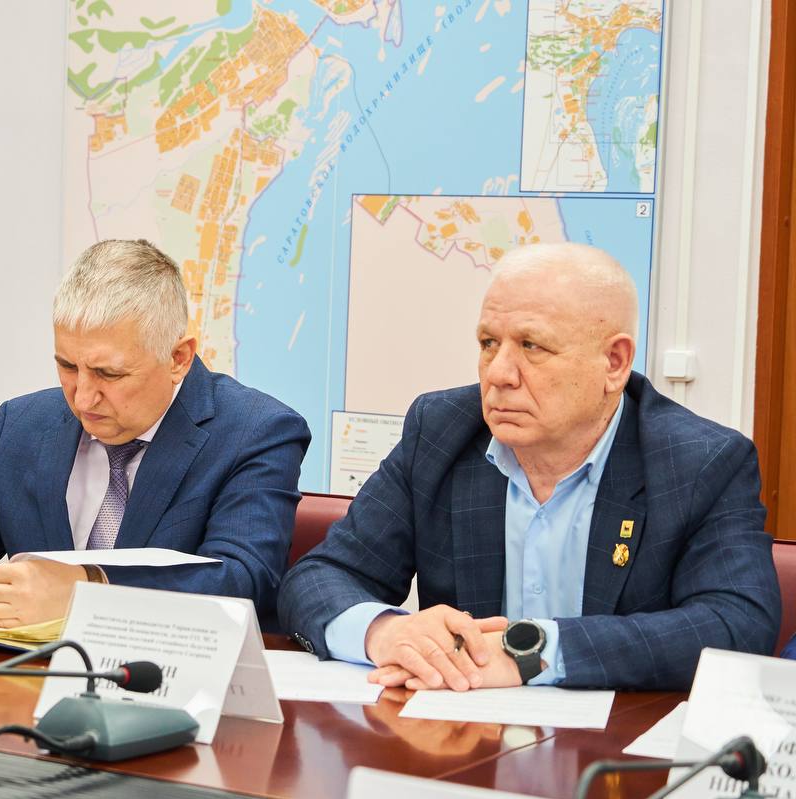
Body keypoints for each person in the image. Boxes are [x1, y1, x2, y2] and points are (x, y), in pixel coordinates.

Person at [278, 242, 779, 691]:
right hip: (460, 740)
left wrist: (532, 653)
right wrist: (385, 632)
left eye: (531, 346)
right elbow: (320, 577)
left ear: (613, 362)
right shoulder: (442, 432)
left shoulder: (700, 462)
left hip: (616, 750)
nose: (498, 374)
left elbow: (737, 625)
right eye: (488, 343)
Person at [0, 239, 310, 626]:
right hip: (24, 678)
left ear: (178, 358)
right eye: (67, 366)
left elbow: (242, 581)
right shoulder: (23, 425)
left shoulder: (255, 432)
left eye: (109, 374)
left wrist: (86, 591)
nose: (82, 398)